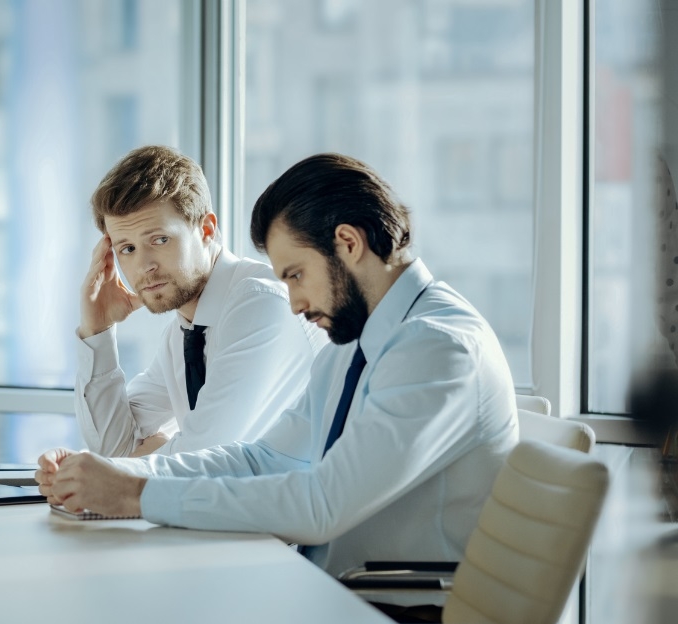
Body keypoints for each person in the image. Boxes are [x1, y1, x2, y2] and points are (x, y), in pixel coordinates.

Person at [38, 153, 519, 577]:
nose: (293, 303)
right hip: (324, 584)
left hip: (391, 605)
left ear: (348, 244)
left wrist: (134, 494)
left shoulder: (437, 347)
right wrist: (112, 476)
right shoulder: (358, 341)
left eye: (295, 275)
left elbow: (322, 504)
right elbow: (262, 459)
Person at [75, 145, 325, 457]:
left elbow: (204, 456)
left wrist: (148, 456)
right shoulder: (182, 334)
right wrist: (97, 329)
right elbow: (111, 449)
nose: (143, 266)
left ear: (206, 229)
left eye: (160, 240)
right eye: (127, 249)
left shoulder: (259, 303)